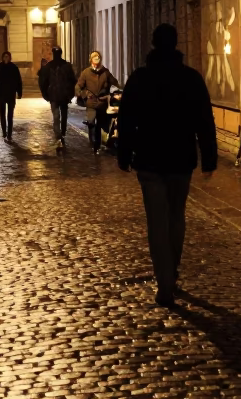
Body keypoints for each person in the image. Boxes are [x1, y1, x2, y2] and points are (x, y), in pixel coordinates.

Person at [116, 24, 217, 307]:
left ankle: (164, 282)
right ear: (176, 45)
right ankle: (171, 271)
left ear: (152, 44)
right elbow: (204, 120)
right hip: (180, 159)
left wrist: (124, 155)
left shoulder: (140, 79)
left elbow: (126, 119)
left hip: (148, 159)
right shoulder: (190, 79)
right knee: (176, 218)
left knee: (157, 222)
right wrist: (209, 158)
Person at [76, 51, 120, 154]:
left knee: (100, 124)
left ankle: (97, 145)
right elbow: (79, 86)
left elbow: (115, 83)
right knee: (91, 122)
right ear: (91, 60)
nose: (97, 60)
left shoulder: (105, 72)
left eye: (98, 58)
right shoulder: (86, 72)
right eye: (95, 58)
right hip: (91, 102)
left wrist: (112, 92)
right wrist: (83, 95)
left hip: (101, 102)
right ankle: (93, 143)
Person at [38, 46, 77, 151]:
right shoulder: (49, 67)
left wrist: (70, 93)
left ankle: (62, 134)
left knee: (63, 116)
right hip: (54, 95)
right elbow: (43, 81)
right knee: (56, 116)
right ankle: (59, 135)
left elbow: (72, 80)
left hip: (63, 95)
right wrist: (46, 93)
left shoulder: (66, 66)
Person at [0, 50, 23, 142]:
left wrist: (19, 92)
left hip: (10, 94)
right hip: (1, 94)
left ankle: (9, 134)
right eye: (4, 56)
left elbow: (18, 81)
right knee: (2, 114)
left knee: (10, 115)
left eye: (7, 56)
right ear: (2, 58)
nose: (6, 58)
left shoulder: (14, 68)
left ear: (10, 57)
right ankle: (4, 132)